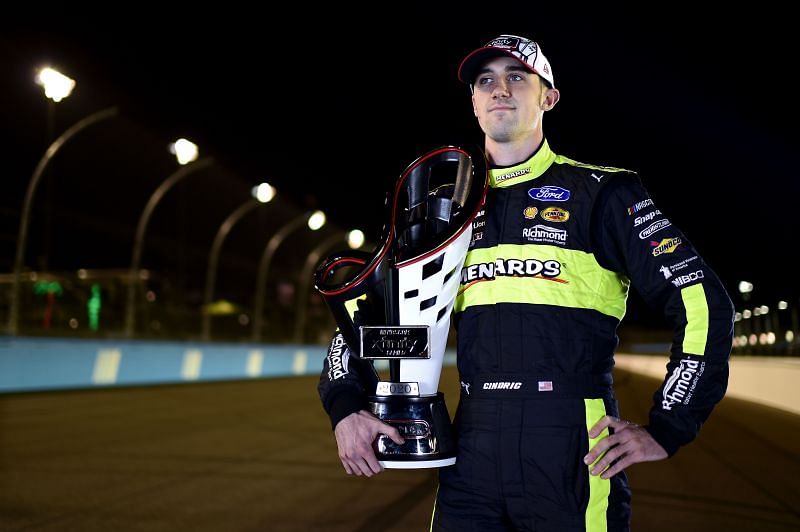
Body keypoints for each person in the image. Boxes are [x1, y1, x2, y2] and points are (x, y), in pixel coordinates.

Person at [318, 34, 734, 531]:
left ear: (548, 97)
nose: (500, 89)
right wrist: (346, 407)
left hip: (573, 449)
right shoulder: (440, 212)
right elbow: (371, 318)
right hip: (470, 445)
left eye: (517, 77)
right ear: (473, 102)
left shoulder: (603, 193)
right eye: (486, 81)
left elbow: (703, 302)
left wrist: (669, 426)